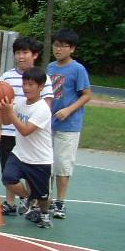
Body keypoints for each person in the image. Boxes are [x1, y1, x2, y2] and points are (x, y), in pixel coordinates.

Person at [0, 36, 53, 216]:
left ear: (35, 55)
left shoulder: (43, 79)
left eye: (25, 52)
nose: (21, 56)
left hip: (30, 132)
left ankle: (33, 205)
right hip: (10, 131)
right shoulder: (7, 77)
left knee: (30, 171)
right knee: (8, 171)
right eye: (18, 53)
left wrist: (33, 122)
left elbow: (46, 105)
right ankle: (11, 203)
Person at [47, 28, 92, 220]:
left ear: (71, 48)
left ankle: (60, 202)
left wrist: (68, 110)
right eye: (55, 45)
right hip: (49, 123)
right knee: (45, 163)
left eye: (62, 46)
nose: (58, 49)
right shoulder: (50, 68)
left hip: (69, 125)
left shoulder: (77, 69)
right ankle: (44, 199)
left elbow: (87, 95)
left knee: (62, 164)